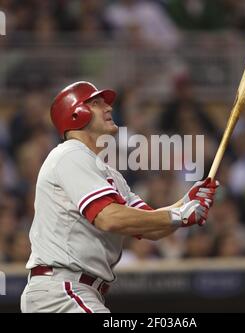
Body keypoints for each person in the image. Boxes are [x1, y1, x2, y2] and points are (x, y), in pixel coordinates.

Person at [20, 81, 219, 313]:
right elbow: (109, 218)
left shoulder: (107, 172)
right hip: (61, 290)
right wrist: (179, 214)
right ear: (76, 113)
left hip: (73, 291)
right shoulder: (70, 153)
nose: (108, 108)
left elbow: (151, 226)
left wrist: (185, 202)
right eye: (96, 103)